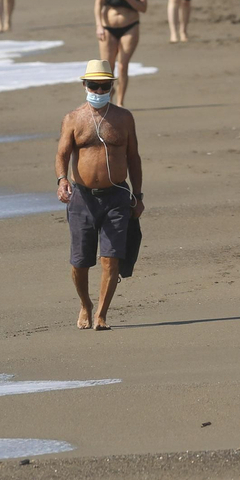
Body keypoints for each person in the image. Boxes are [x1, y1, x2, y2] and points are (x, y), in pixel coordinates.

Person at [54, 59, 144, 331]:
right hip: (82, 198)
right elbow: (62, 154)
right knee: (80, 262)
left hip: (116, 196)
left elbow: (133, 158)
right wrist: (61, 180)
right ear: (85, 85)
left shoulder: (124, 118)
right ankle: (85, 304)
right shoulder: (73, 118)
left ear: (111, 87)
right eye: (94, 85)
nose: (99, 90)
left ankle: (102, 314)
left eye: (104, 86)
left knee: (111, 258)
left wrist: (138, 196)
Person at [94, 0, 149, 106]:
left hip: (129, 27)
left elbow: (143, 7)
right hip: (107, 28)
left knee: (123, 65)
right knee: (108, 66)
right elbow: (98, 4)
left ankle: (120, 103)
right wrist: (99, 25)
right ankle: (107, 99)